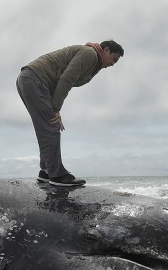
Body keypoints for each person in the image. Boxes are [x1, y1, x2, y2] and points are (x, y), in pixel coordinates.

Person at [16, 40, 124, 187]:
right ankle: (57, 175)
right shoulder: (90, 54)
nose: (113, 64)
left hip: (29, 80)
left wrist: (54, 106)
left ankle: (46, 172)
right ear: (105, 50)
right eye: (114, 59)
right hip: (34, 79)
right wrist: (56, 109)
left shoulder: (93, 61)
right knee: (51, 127)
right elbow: (67, 78)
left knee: (46, 128)